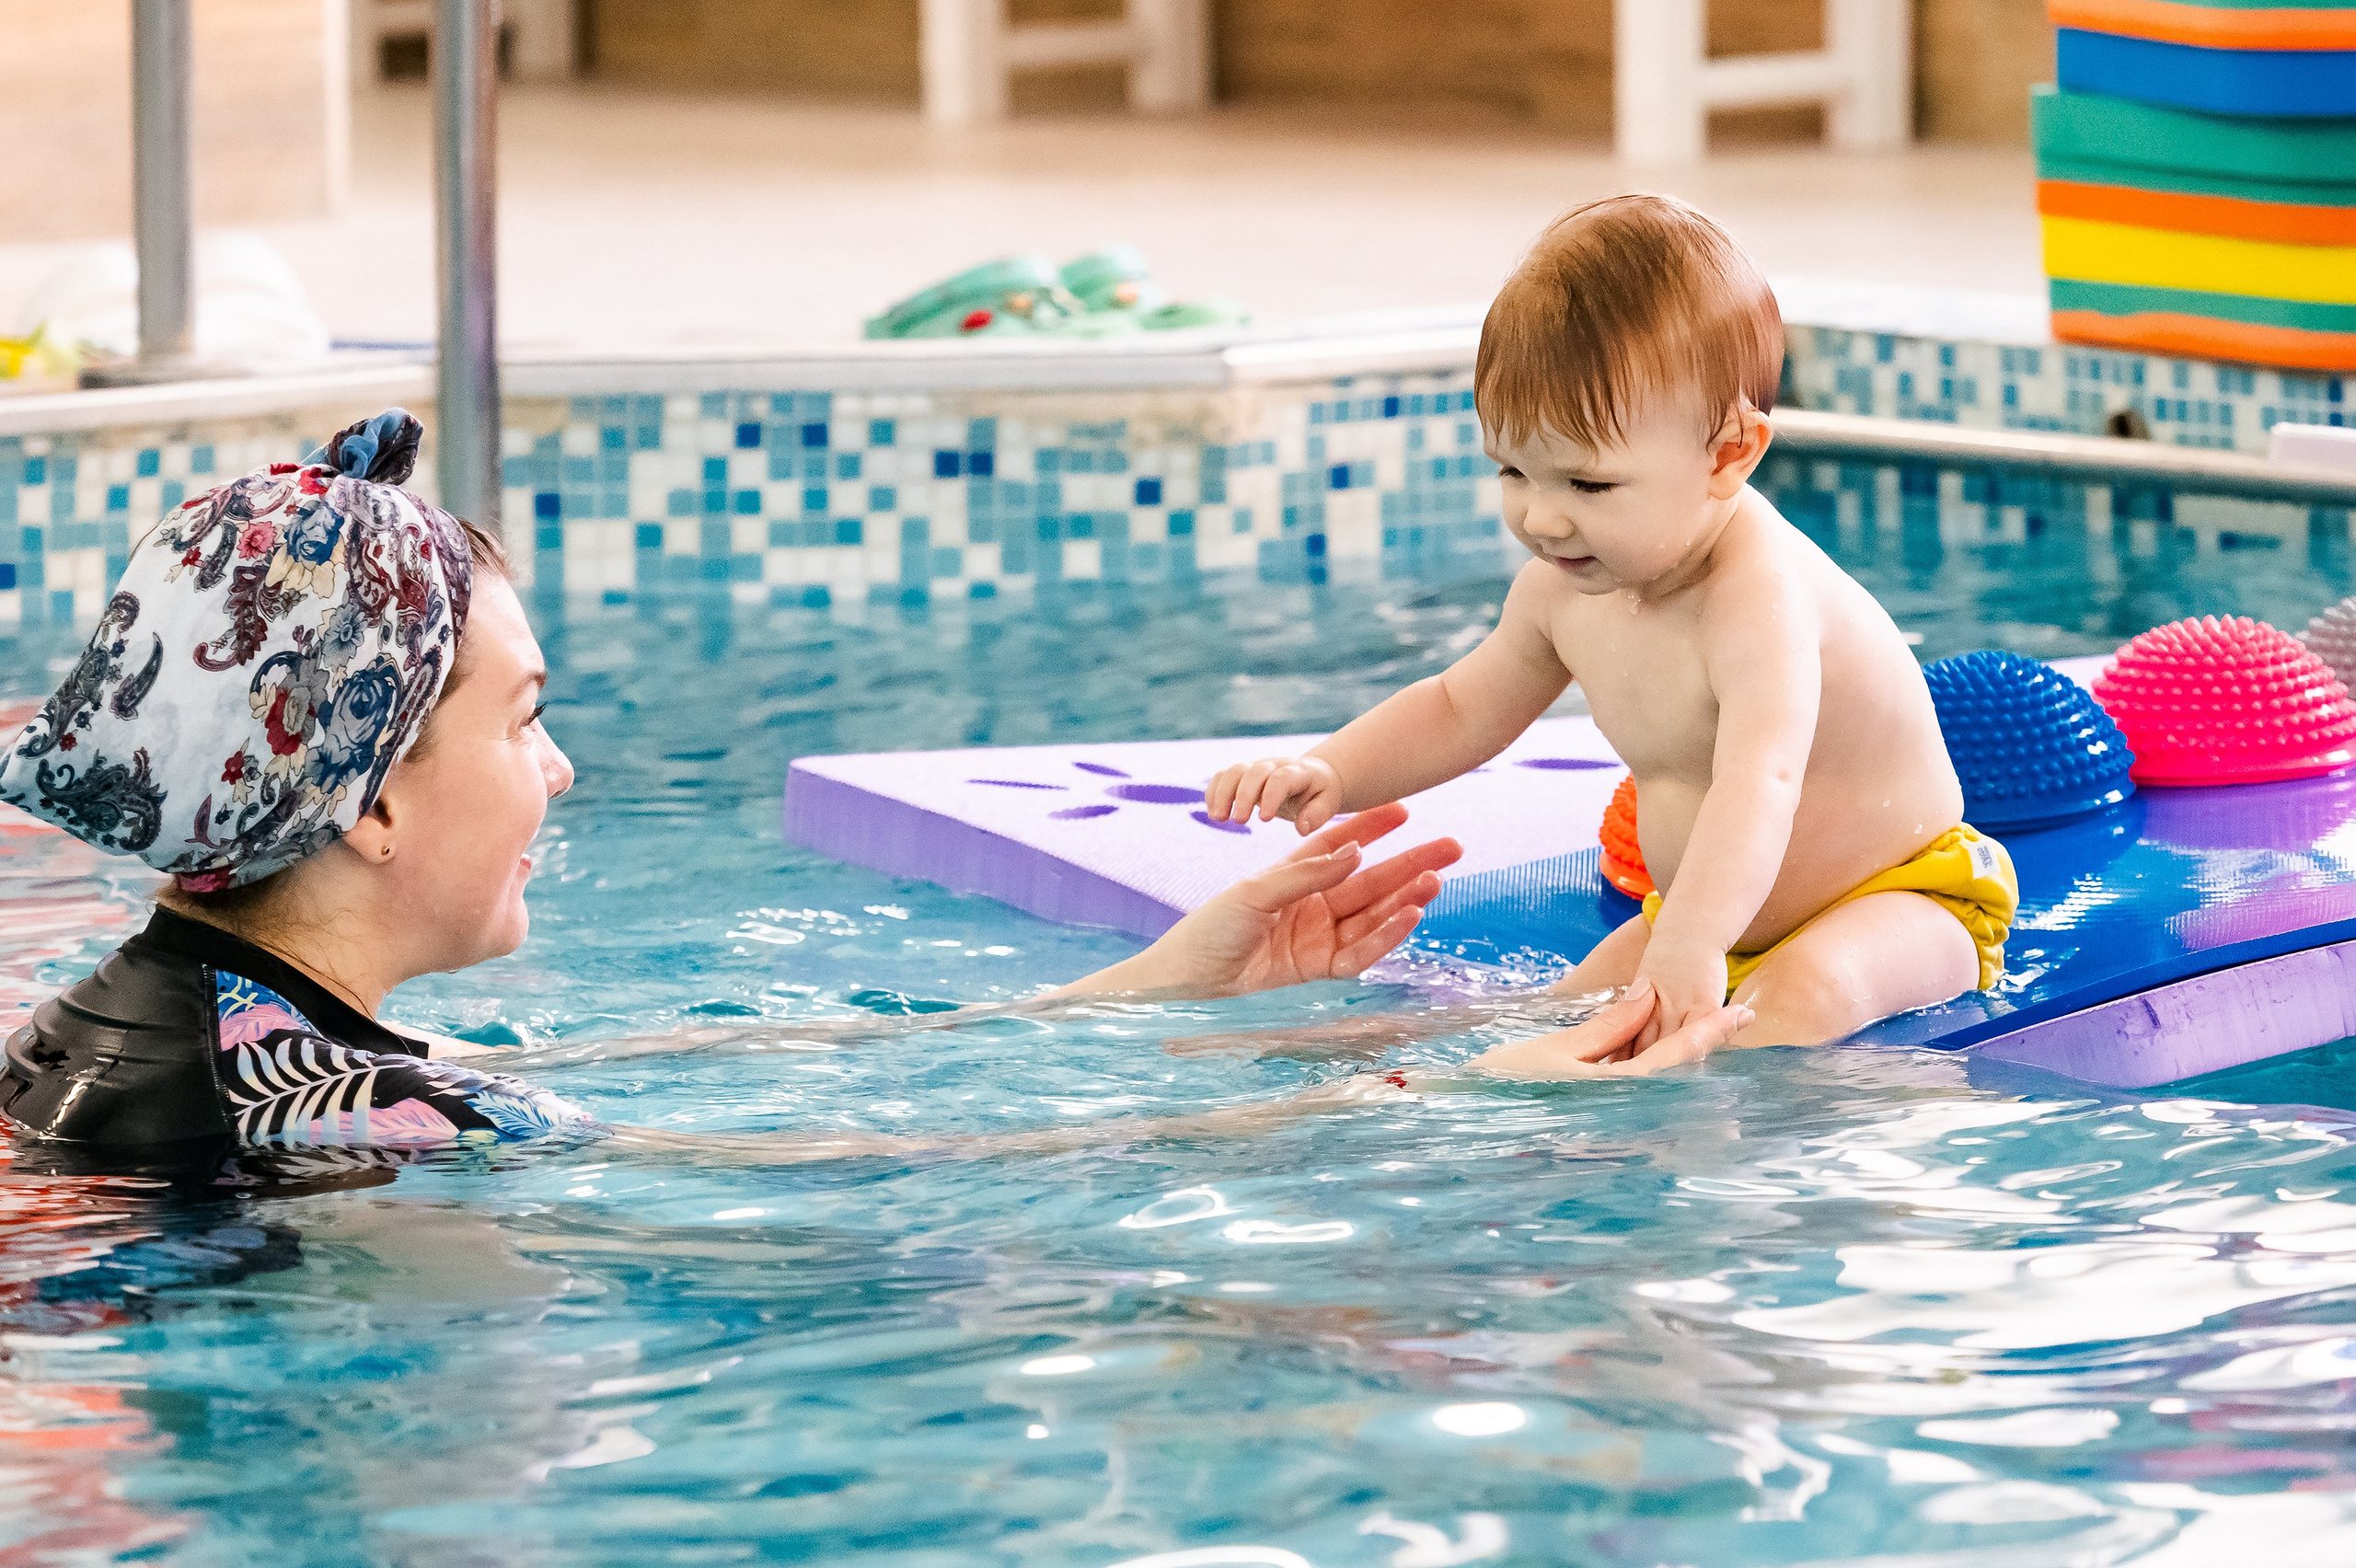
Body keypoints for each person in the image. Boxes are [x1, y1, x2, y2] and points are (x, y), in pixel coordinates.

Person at [0, 411, 1746, 1176]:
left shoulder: (196, 1024)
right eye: (524, 720)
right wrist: (1449, 1095)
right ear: (369, 803)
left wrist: (1160, 988)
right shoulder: (336, 1108)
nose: (563, 766)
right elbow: (881, 1165)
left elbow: (669, 1074)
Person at [1207, 195, 2019, 1053]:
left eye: (1588, 485)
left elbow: (1762, 783)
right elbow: (1458, 707)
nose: (1542, 518)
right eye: (1514, 471)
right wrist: (1331, 769)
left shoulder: (1760, 600)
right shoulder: (1563, 592)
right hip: (1705, 916)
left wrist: (1692, 942)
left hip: (1900, 898)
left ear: (1728, 454)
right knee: (1565, 1013)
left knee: (1803, 997)